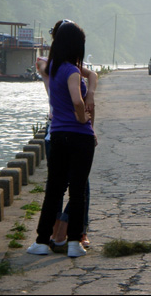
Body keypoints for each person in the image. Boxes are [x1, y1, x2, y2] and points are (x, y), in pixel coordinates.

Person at [27, 20, 96, 257]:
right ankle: (75, 243)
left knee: (53, 190)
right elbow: (77, 100)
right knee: (77, 191)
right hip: (79, 137)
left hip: (57, 135)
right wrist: (81, 118)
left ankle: (41, 242)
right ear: (77, 45)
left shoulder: (52, 67)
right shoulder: (73, 71)